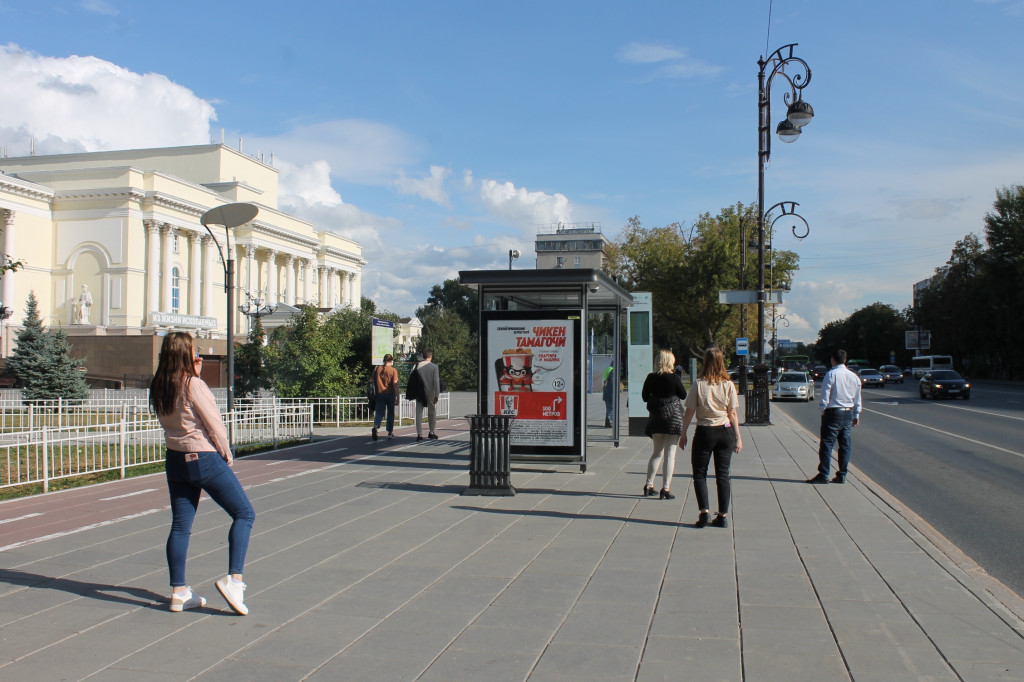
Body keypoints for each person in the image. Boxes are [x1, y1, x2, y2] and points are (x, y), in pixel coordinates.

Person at [150, 331, 255, 615]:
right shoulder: (192, 384)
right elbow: (214, 423)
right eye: (194, 350)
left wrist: (194, 375)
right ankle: (234, 580)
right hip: (202, 457)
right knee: (244, 514)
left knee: (181, 525)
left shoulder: (160, 385)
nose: (198, 354)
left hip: (174, 458)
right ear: (186, 353)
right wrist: (226, 453)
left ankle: (179, 592)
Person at [680, 347, 742, 528]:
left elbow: (689, 412)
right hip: (725, 431)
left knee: (700, 473)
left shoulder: (698, 384)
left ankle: (704, 512)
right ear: (722, 362)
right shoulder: (729, 384)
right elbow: (733, 414)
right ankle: (722, 516)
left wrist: (683, 434)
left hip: (705, 431)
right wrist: (738, 437)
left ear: (705, 362)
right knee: (723, 475)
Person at [808, 349, 862, 484]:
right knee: (845, 445)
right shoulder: (854, 377)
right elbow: (858, 399)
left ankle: (824, 474)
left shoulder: (831, 374)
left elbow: (825, 397)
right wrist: (856, 414)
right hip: (848, 412)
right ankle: (842, 474)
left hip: (833, 413)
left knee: (827, 444)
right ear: (845, 360)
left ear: (833, 359)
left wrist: (823, 411)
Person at [641, 350, 687, 499]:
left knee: (657, 453)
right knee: (670, 454)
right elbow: (683, 395)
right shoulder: (673, 378)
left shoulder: (651, 377)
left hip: (656, 418)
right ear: (670, 361)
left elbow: (644, 397)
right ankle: (665, 489)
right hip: (672, 418)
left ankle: (648, 485)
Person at [413, 349, 441, 441]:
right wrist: (437, 394)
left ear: (423, 356)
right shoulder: (433, 367)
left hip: (419, 392)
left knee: (418, 412)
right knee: (432, 412)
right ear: (431, 356)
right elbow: (436, 381)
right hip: (430, 392)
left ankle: (419, 434)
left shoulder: (416, 366)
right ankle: (431, 432)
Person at [371, 353, 400, 441]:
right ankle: (390, 432)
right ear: (391, 361)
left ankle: (376, 426)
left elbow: (372, 380)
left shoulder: (377, 369)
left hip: (379, 393)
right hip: (390, 394)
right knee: (390, 414)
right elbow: (395, 384)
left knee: (379, 412)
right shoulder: (393, 370)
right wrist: (398, 396)